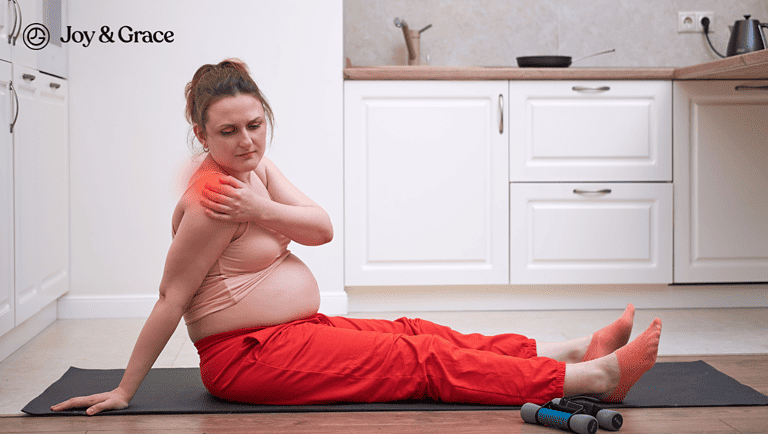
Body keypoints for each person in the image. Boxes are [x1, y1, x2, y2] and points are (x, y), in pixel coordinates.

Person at [52, 59, 662, 416]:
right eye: (228, 131)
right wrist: (126, 389)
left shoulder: (254, 173)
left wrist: (264, 203)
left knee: (417, 332)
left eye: (255, 124)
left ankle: (567, 349)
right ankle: (589, 381)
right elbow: (170, 299)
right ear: (200, 133)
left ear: (266, 116)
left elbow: (320, 228)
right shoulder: (214, 201)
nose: (247, 141)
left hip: (292, 336)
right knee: (419, 362)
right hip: (247, 359)